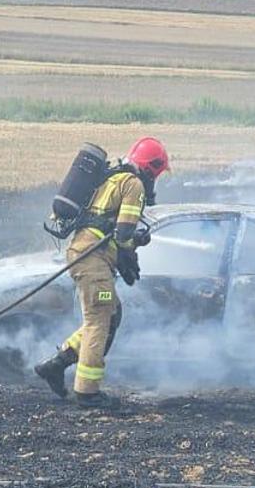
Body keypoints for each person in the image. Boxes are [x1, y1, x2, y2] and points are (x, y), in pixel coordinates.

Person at [34, 137, 169, 408]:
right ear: (152, 167)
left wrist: (128, 249)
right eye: (158, 172)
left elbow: (113, 229)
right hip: (92, 260)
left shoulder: (114, 177)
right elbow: (123, 233)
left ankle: (56, 365)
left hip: (87, 255)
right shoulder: (134, 185)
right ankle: (87, 392)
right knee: (99, 320)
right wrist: (133, 250)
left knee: (111, 313)